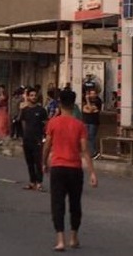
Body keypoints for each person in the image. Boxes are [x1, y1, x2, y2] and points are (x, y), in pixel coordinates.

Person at [42, 89, 98, 252]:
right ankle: (74, 237)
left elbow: (47, 145)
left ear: (60, 103)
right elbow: (85, 150)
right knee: (75, 203)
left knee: (57, 203)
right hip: (75, 169)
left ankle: (60, 240)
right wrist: (92, 172)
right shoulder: (79, 125)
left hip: (58, 167)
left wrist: (44, 162)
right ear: (74, 105)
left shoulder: (53, 123)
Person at [21, 87, 48, 191]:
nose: (33, 97)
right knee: (30, 162)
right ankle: (32, 182)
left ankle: (39, 182)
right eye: (31, 95)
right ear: (28, 97)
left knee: (38, 162)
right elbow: (23, 124)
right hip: (27, 140)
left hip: (37, 140)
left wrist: (44, 137)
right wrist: (23, 137)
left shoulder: (41, 110)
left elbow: (46, 125)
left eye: (35, 95)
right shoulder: (25, 110)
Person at [82, 87, 103, 160]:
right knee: (87, 137)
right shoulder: (85, 100)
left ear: (96, 94)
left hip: (93, 122)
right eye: (91, 93)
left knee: (91, 136)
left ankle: (94, 152)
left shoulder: (98, 101)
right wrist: (89, 108)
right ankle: (90, 152)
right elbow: (84, 110)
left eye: (93, 93)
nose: (92, 95)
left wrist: (88, 102)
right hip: (86, 121)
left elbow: (90, 110)